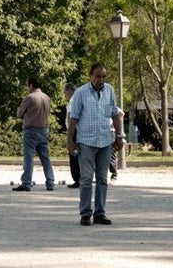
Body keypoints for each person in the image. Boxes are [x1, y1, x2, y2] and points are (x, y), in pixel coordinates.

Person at [67, 63, 123, 226]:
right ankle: (85, 213)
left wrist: (119, 136)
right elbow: (74, 118)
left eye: (104, 77)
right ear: (90, 76)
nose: (101, 80)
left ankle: (100, 213)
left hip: (106, 140)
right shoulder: (80, 93)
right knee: (85, 179)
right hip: (86, 141)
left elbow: (115, 114)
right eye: (98, 76)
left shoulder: (109, 90)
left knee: (102, 179)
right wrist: (70, 140)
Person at [13, 77, 55, 191]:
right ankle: (50, 182)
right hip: (44, 129)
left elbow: (20, 113)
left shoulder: (29, 97)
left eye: (28, 86)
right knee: (45, 158)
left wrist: (19, 109)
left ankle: (26, 182)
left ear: (31, 85)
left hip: (31, 130)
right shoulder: (47, 97)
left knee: (29, 158)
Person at [63, 82, 80, 188]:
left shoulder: (72, 101)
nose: (65, 96)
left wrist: (69, 136)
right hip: (79, 131)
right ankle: (81, 178)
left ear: (69, 90)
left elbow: (70, 119)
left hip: (74, 131)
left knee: (73, 154)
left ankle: (77, 179)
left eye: (65, 93)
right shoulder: (79, 98)